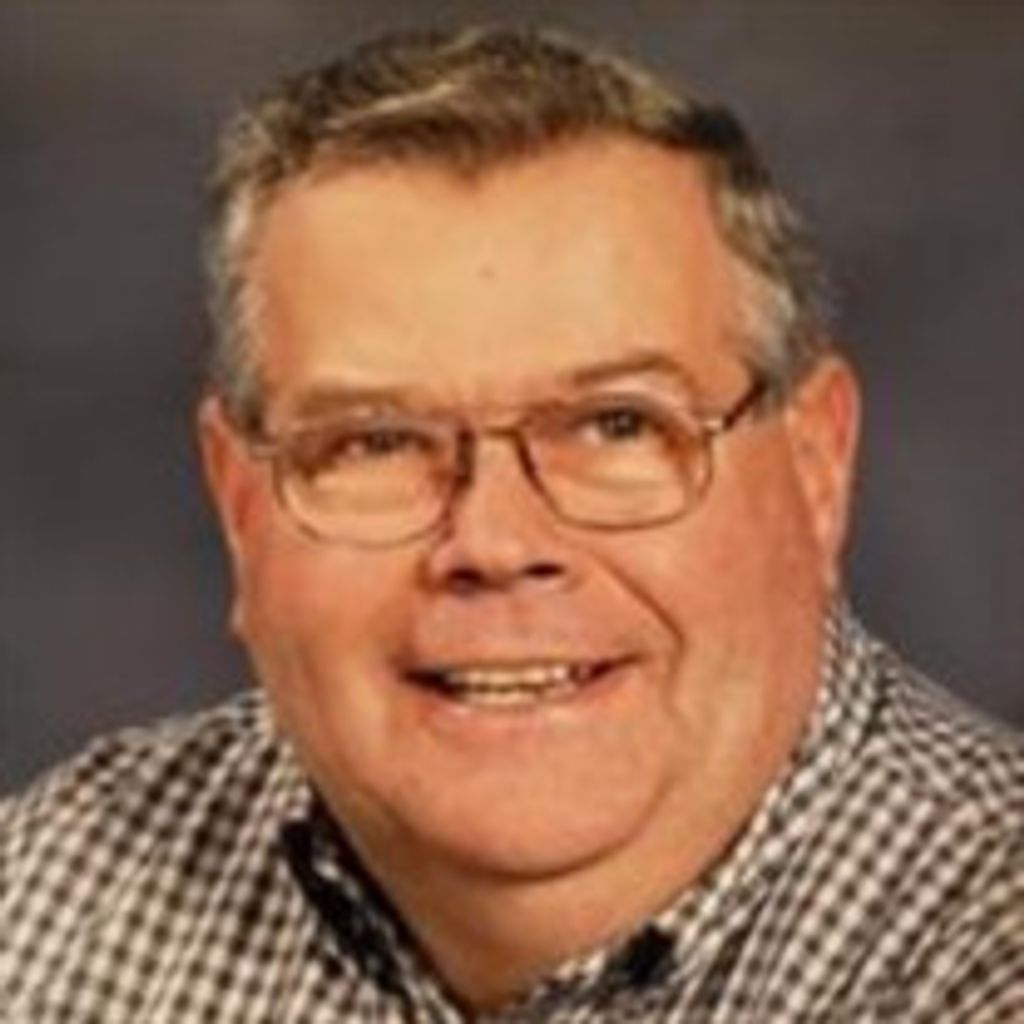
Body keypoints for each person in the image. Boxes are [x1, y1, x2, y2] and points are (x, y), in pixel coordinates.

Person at [1, 25, 1021, 1023]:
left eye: (616, 425)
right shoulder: (55, 894)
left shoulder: (989, 938)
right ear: (239, 505)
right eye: (375, 442)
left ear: (816, 469)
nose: (493, 543)